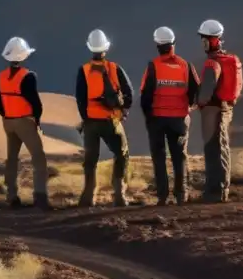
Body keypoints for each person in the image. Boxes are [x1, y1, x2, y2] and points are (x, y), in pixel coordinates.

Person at [75, 28, 134, 207]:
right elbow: (129, 93)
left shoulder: (83, 70)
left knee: (91, 159)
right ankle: (119, 195)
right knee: (121, 153)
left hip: (91, 123)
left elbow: (80, 99)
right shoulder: (115, 68)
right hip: (111, 121)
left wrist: (86, 118)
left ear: (90, 48)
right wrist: (122, 110)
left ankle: (88, 197)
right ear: (105, 48)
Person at [140, 26, 199, 205]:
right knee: (179, 156)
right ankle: (181, 195)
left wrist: (149, 117)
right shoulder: (186, 66)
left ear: (158, 45)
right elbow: (196, 90)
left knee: (159, 157)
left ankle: (162, 197)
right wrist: (187, 107)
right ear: (173, 43)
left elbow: (145, 95)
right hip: (179, 120)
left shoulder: (153, 66)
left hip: (157, 119)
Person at [0, 36, 51, 210]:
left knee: (12, 158)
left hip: (8, 122)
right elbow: (36, 103)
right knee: (38, 157)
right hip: (25, 121)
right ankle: (40, 197)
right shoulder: (29, 76)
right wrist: (36, 120)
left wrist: (6, 113)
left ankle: (11, 195)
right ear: (24, 56)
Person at [196, 19, 243, 203]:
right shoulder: (230, 60)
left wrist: (198, 103)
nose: (203, 42)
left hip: (213, 111)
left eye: (204, 38)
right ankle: (222, 189)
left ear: (211, 40)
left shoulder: (212, 64)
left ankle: (215, 192)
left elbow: (206, 91)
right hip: (226, 108)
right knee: (222, 147)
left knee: (213, 150)